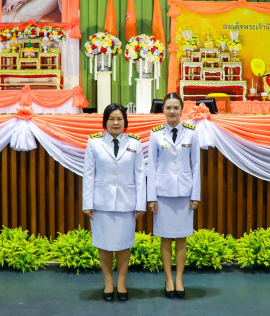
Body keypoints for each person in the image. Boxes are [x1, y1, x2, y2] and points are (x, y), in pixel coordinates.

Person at [82, 104, 146, 302]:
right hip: (101, 203)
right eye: (111, 119)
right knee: (104, 244)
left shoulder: (135, 143)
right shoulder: (94, 143)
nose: (116, 122)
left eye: (119, 119)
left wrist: (141, 204)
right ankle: (108, 282)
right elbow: (88, 174)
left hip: (127, 203)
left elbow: (140, 174)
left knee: (124, 244)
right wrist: (87, 202)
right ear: (105, 122)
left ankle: (122, 282)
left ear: (125, 121)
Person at [147, 93, 200, 299]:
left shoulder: (192, 133)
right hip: (163, 194)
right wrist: (151, 197)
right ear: (163, 110)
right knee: (165, 238)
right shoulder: (155, 134)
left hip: (185, 193)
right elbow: (151, 167)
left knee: (182, 237)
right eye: (168, 107)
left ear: (182, 109)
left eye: (176, 108)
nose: (172, 111)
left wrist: (195, 194)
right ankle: (168, 279)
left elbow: (196, 165)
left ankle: (179, 278)